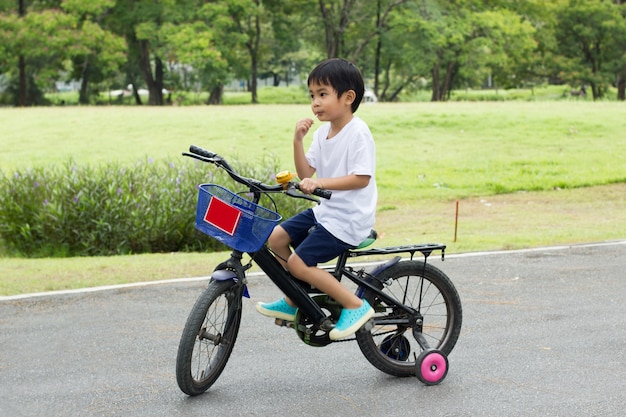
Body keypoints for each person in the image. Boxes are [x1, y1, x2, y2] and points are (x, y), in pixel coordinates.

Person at [256, 58, 377, 340]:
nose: (315, 102)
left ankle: (355, 305)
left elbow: (362, 178)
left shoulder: (358, 132)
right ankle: (296, 297)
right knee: (275, 238)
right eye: (312, 96)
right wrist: (297, 140)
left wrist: (319, 182)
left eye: (323, 94)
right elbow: (305, 172)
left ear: (348, 97)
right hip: (328, 212)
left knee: (298, 263)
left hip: (349, 219)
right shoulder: (323, 133)